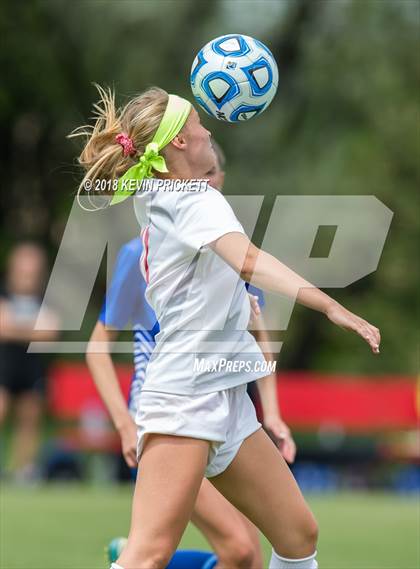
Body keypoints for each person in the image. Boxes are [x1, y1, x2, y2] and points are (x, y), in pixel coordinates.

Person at [73, 86, 380, 569]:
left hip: (225, 396)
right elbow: (249, 259)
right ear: (177, 143)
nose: (207, 129)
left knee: (298, 535)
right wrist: (328, 305)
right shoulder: (193, 198)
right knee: (148, 556)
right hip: (184, 398)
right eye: (197, 123)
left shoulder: (162, 190)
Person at [87, 141, 294, 568]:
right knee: (237, 548)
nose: (207, 183)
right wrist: (126, 425)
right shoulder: (141, 251)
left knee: (248, 557)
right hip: (171, 416)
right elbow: (96, 349)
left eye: (214, 174)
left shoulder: (230, 250)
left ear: (222, 180)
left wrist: (271, 413)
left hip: (227, 413)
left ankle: (126, 554)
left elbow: (260, 339)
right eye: (201, 175)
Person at [0, 242, 58, 482]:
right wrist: (33, 328)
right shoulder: (3, 292)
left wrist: (16, 327)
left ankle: (23, 470)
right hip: (4, 364)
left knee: (30, 418)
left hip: (32, 365)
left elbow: (50, 333)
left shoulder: (46, 297)